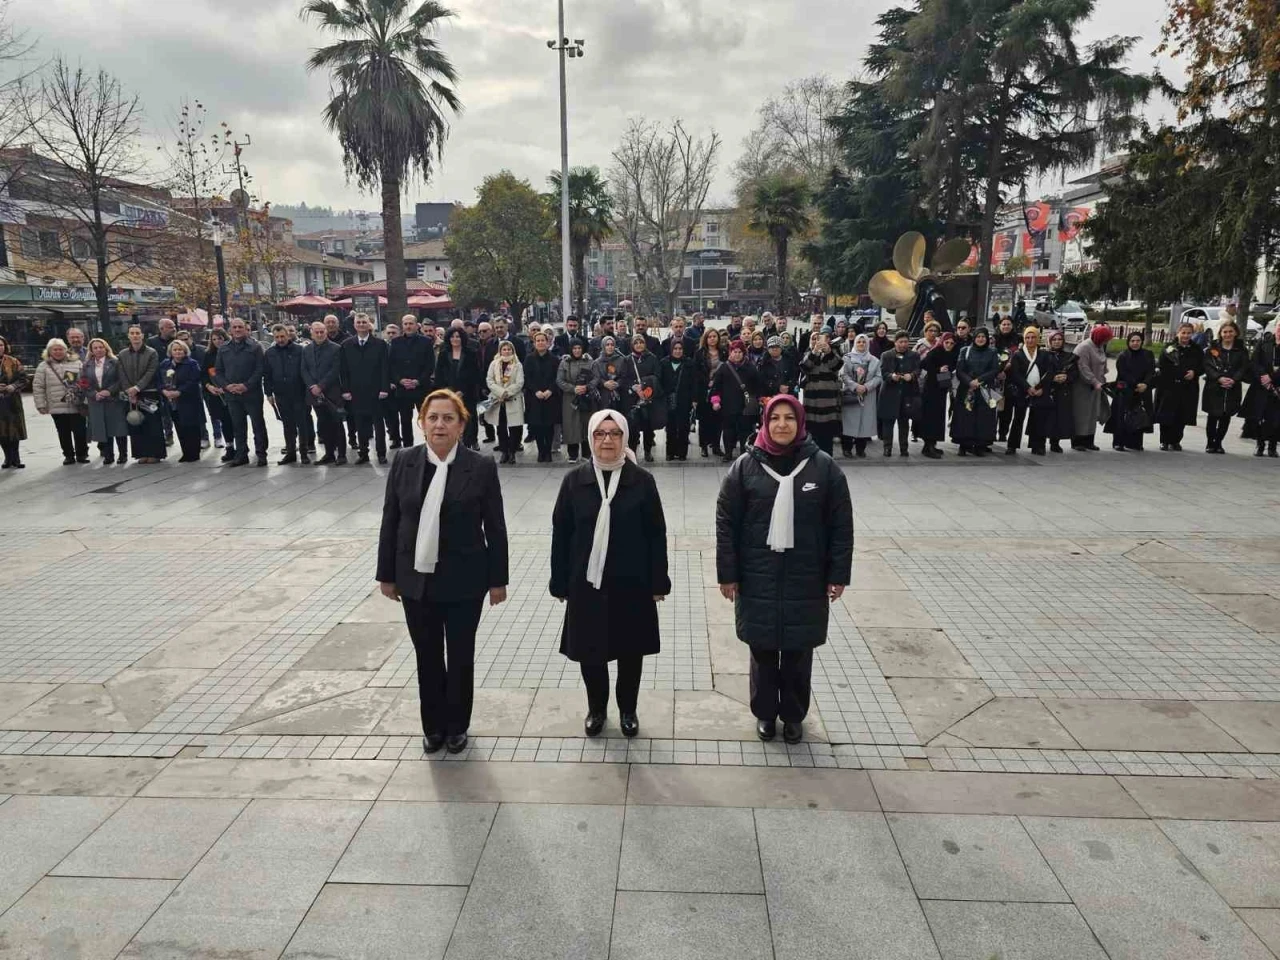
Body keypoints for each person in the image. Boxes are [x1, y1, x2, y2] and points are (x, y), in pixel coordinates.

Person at [376, 389, 509, 755]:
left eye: (448, 418)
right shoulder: (404, 460)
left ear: (462, 425)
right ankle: (432, 726)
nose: (439, 424)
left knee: (461, 655)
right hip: (415, 579)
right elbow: (391, 519)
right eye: (432, 417)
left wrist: (498, 581)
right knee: (428, 655)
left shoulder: (480, 466)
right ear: (421, 423)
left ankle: (457, 726)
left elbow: (495, 527)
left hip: (465, 579)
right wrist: (386, 574)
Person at [715, 394, 853, 744]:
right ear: (764, 422)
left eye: (789, 418)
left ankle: (793, 715)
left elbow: (841, 525)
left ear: (800, 422)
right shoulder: (745, 466)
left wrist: (838, 574)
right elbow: (726, 522)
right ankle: (764, 713)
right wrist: (728, 574)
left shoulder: (823, 468)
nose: (781, 425)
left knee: (797, 651)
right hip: (757, 575)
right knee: (762, 650)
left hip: (805, 577)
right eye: (774, 418)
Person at [550, 409, 670, 739]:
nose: (607, 440)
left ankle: (628, 710)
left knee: (630, 652)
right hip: (586, 582)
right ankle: (597, 709)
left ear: (625, 438)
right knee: (591, 651)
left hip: (632, 582)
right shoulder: (575, 481)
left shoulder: (641, 481)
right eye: (600, 434)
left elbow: (656, 534)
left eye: (615, 434)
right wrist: (558, 580)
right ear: (590, 438)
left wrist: (659, 581)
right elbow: (561, 532)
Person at [213, 318, 268, 467]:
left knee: (258, 425)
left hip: (251, 393)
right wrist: (227, 386)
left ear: (245, 328)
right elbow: (218, 371)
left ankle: (261, 454)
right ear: (230, 330)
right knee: (238, 426)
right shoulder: (223, 348)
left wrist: (246, 385)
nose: (237, 330)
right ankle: (241, 454)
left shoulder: (255, 347)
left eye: (240, 327)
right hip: (232, 394)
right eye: (235, 327)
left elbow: (260, 369)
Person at [340, 313, 391, 465]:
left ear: (369, 325)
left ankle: (381, 453)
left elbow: (385, 368)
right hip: (356, 391)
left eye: (364, 322)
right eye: (359, 322)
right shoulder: (346, 345)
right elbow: (343, 371)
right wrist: (345, 390)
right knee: (360, 424)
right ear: (354, 325)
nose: (361, 324)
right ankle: (363, 453)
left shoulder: (380, 344)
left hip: (376, 391)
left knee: (378, 424)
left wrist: (384, 388)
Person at [32, 338, 88, 465]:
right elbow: (38, 386)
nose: (58, 352)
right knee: (63, 432)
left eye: (60, 349)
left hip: (75, 403)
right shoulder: (43, 366)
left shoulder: (76, 362)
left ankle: (82, 453)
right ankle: (68, 455)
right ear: (49, 351)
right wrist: (41, 405)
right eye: (54, 349)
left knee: (80, 431)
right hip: (56, 405)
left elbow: (84, 381)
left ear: (65, 350)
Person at [264, 324, 311, 465]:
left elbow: (305, 370)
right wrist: (268, 393)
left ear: (288, 335)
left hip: (298, 392)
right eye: (277, 337)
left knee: (302, 424)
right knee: (287, 425)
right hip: (280, 393)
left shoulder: (299, 350)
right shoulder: (270, 353)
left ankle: (304, 452)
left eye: (282, 336)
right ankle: (290, 452)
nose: (280, 339)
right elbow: (266, 375)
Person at [302, 320, 347, 465]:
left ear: (326, 332)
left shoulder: (336, 348)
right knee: (323, 424)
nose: (320, 334)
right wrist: (311, 386)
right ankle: (329, 453)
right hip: (314, 393)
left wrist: (321, 386)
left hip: (332, 392)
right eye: (317, 332)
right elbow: (304, 370)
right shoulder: (306, 349)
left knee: (337, 423)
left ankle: (341, 454)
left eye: (322, 331)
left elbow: (335, 370)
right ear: (311, 333)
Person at [118, 325, 165, 464]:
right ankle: (141, 454)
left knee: (153, 424)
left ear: (142, 336)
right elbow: (121, 373)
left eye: (137, 333)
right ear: (128, 336)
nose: (135, 336)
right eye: (132, 333)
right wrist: (129, 390)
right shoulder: (122, 354)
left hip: (149, 393)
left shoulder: (152, 353)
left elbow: (151, 371)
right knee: (136, 423)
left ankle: (155, 453)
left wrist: (137, 387)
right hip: (131, 395)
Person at [1154, 322, 1203, 452]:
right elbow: (1162, 365)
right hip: (1169, 386)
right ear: (1178, 333)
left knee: (1182, 415)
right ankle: (1164, 441)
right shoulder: (1169, 347)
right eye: (1183, 333)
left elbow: (1202, 366)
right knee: (1166, 414)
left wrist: (1195, 372)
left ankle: (1176, 441)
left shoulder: (1196, 349)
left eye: (1188, 333)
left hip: (1187, 387)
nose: (1186, 336)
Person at [1006, 326, 1055, 456]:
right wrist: (1027, 388)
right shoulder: (1018, 355)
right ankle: (1012, 445)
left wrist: (1041, 388)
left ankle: (1038, 446)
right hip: (1023, 391)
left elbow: (1049, 373)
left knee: (1039, 419)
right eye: (1027, 337)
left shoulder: (1044, 354)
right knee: (1018, 419)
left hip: (1040, 391)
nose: (1030, 340)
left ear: (1038, 338)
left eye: (1033, 337)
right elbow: (1015, 374)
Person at [710, 339, 762, 461]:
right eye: (734, 351)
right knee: (728, 431)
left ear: (744, 353)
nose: (737, 354)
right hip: (728, 406)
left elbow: (758, 386)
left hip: (746, 406)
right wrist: (715, 401)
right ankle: (728, 453)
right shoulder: (723, 368)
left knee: (745, 431)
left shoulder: (751, 368)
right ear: (730, 353)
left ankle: (744, 454)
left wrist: (760, 399)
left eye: (740, 352)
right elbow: (716, 387)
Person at [388, 314, 434, 449]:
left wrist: (418, 381)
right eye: (406, 324)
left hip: (421, 387)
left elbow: (430, 365)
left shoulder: (426, 341)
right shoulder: (395, 342)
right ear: (402, 325)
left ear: (416, 325)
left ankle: (430, 445)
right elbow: (391, 365)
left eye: (411, 323)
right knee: (405, 420)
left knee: (426, 419)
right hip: (403, 389)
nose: (408, 326)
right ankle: (408, 448)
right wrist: (400, 380)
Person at [952, 327, 1000, 456]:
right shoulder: (965, 350)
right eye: (978, 336)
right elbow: (960, 370)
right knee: (965, 416)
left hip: (985, 389)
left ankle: (979, 445)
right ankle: (964, 445)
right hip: (967, 389)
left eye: (983, 337)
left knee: (983, 417)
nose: (980, 339)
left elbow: (995, 369)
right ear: (974, 338)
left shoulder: (992, 352)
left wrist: (979, 380)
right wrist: (970, 382)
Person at [1202, 320, 1249, 454]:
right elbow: (1207, 365)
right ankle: (1210, 443)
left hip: (1232, 387)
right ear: (1221, 334)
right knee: (1213, 415)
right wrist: (1219, 378)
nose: (1227, 334)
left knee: (1225, 416)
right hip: (1214, 386)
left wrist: (1234, 379)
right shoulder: (1213, 348)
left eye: (1230, 332)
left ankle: (1219, 442)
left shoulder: (1241, 350)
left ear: (1235, 333)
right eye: (1225, 332)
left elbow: (1243, 367)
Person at [1104, 331, 1155, 451]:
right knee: (1121, 416)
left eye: (1138, 341)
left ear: (1142, 342)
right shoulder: (1123, 356)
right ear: (1128, 342)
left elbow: (1151, 371)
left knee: (1139, 416)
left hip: (1142, 390)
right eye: (1132, 341)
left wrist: (1145, 384)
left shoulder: (1148, 354)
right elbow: (1123, 372)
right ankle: (1119, 442)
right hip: (1125, 390)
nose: (1135, 343)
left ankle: (1135, 442)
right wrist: (1136, 384)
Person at [433, 328, 483, 450]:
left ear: (462, 338)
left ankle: (471, 441)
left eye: (458, 336)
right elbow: (439, 375)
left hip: (467, 393)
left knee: (469, 418)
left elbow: (475, 374)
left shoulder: (471, 353)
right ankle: (455, 443)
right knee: (452, 418)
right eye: (452, 336)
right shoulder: (444, 354)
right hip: (449, 393)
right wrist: (448, 391)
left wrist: (463, 391)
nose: (455, 339)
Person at [81, 338, 127, 465]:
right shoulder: (87, 365)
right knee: (103, 428)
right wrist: (93, 393)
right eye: (95, 348)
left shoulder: (115, 362)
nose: (98, 350)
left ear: (106, 348)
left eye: (101, 347)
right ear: (91, 350)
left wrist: (109, 391)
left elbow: (121, 380)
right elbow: (83, 382)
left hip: (114, 400)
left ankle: (123, 454)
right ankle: (108, 455)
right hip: (97, 401)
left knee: (118, 428)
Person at [158, 340, 204, 462]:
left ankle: (194, 453)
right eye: (175, 350)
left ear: (185, 351)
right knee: (179, 427)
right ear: (171, 352)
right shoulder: (165, 364)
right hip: (172, 402)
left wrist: (179, 391)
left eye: (180, 350)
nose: (178, 352)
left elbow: (194, 381)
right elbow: (159, 380)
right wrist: (164, 391)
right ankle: (185, 452)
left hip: (188, 400)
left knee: (191, 427)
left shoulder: (192, 364)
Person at [621, 333, 665, 462]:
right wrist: (634, 387)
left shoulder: (652, 358)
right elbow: (623, 378)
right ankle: (632, 453)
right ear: (632, 345)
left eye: (641, 342)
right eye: (636, 343)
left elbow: (657, 375)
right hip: (633, 399)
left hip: (648, 397)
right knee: (633, 428)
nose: (639, 345)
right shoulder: (627, 360)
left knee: (648, 427)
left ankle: (647, 451)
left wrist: (645, 386)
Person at [799, 331, 844, 455]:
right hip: (812, 400)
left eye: (820, 339)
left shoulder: (833, 352)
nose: (817, 341)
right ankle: (813, 459)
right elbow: (804, 367)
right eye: (814, 339)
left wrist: (828, 351)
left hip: (829, 401)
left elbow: (837, 365)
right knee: (813, 434)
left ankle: (827, 459)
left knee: (827, 436)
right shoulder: (808, 353)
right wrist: (815, 352)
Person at [878, 330, 921, 458]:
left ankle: (904, 448)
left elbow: (918, 370)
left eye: (906, 342)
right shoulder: (886, 355)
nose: (903, 344)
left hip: (907, 393)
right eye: (900, 342)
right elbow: (883, 372)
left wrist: (912, 375)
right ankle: (887, 448)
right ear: (895, 342)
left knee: (904, 422)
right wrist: (892, 376)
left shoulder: (914, 355)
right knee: (888, 422)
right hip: (889, 392)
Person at [838, 333, 881, 458]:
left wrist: (866, 387)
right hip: (851, 395)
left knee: (864, 423)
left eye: (864, 342)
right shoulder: (847, 358)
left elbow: (879, 377)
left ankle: (861, 449)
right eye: (859, 342)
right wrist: (855, 386)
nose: (861, 344)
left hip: (867, 396)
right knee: (849, 423)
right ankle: (847, 449)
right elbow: (843, 375)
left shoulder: (874, 360)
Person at [918, 330, 959, 459]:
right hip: (931, 389)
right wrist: (938, 370)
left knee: (938, 416)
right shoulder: (936, 351)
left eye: (952, 343)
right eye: (947, 342)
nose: (949, 345)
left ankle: (932, 444)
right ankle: (928, 445)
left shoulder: (952, 353)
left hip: (941, 388)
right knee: (930, 417)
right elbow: (923, 364)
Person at [1071, 324, 1112, 451]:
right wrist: (1094, 382)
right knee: (1082, 414)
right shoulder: (1084, 348)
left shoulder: (1099, 346)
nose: (1107, 341)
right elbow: (1083, 368)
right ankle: (1078, 442)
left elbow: (1102, 364)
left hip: (1097, 387)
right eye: (1106, 338)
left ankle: (1089, 441)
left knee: (1093, 414)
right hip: (1083, 387)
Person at [484, 340, 525, 464]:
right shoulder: (494, 363)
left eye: (509, 349)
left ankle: (512, 452)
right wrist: (501, 392)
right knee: (500, 428)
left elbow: (519, 383)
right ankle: (504, 451)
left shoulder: (517, 365)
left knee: (514, 428)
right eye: (504, 349)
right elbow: (489, 380)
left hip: (512, 399)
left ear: (513, 351)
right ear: (500, 351)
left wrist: (507, 392)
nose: (506, 351)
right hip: (498, 400)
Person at [522, 330, 560, 462]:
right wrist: (535, 390)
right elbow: (527, 378)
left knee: (549, 426)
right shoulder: (529, 359)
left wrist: (550, 390)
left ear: (548, 342)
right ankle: (541, 451)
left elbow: (557, 378)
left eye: (543, 340)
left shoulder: (555, 359)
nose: (540, 343)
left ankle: (548, 451)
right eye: (537, 341)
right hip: (534, 397)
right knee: (537, 425)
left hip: (550, 397)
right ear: (534, 343)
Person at [557, 339, 594, 463]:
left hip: (586, 397)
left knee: (585, 424)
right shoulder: (565, 362)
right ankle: (572, 453)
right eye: (574, 348)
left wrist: (587, 387)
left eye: (579, 348)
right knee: (570, 425)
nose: (577, 351)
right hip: (570, 398)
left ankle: (586, 453)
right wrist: (573, 389)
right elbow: (559, 380)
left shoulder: (589, 361)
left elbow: (596, 378)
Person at [659, 337, 695, 461]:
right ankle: (670, 452)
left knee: (683, 427)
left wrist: (694, 399)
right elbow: (660, 381)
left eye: (680, 349)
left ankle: (682, 453)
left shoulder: (689, 363)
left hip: (684, 400)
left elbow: (694, 383)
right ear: (671, 349)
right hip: (669, 399)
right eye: (675, 349)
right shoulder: (664, 363)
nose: (678, 351)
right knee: (670, 427)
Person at [147, 318, 179, 448]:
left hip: (177, 379)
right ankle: (168, 434)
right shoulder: (152, 342)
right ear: (162, 329)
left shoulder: (177, 341)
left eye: (174, 326)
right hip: (160, 381)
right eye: (170, 327)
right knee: (164, 411)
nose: (174, 328)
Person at [695, 328, 725, 458]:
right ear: (705, 339)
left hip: (719, 390)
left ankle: (716, 445)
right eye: (710, 337)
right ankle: (703, 446)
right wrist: (707, 381)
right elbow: (695, 373)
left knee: (718, 420)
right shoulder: (700, 353)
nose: (712, 339)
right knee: (704, 420)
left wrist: (716, 381)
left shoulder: (724, 352)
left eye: (714, 336)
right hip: (704, 390)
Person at [1045, 329, 1076, 453]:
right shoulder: (1045, 355)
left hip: (1063, 391)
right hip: (1048, 390)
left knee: (1060, 417)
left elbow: (1075, 373)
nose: (1057, 342)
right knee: (1047, 417)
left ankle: (1055, 442)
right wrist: (1052, 378)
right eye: (1054, 340)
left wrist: (1067, 377)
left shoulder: (1069, 356)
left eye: (1059, 340)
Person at [201, 329, 231, 456]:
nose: (217, 341)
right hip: (215, 393)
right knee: (223, 419)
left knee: (235, 420)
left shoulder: (231, 352)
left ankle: (240, 445)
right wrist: (209, 386)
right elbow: (203, 374)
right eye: (214, 339)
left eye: (220, 338)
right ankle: (229, 446)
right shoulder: (208, 354)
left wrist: (226, 386)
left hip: (231, 391)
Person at [0, 336, 27, 468]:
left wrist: (14, 386)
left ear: (5, 346)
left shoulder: (13, 361)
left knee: (14, 430)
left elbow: (24, 379)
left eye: (1, 345)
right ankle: (7, 458)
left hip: (12, 401)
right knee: (2, 431)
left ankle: (16, 458)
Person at [993, 316, 1019, 443]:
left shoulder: (1017, 339)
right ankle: (990, 433)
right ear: (999, 326)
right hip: (995, 378)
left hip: (1010, 379)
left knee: (1007, 409)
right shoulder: (994, 339)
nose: (1006, 326)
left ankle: (1003, 433)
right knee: (993, 406)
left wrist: (1011, 365)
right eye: (1004, 324)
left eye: (1008, 324)